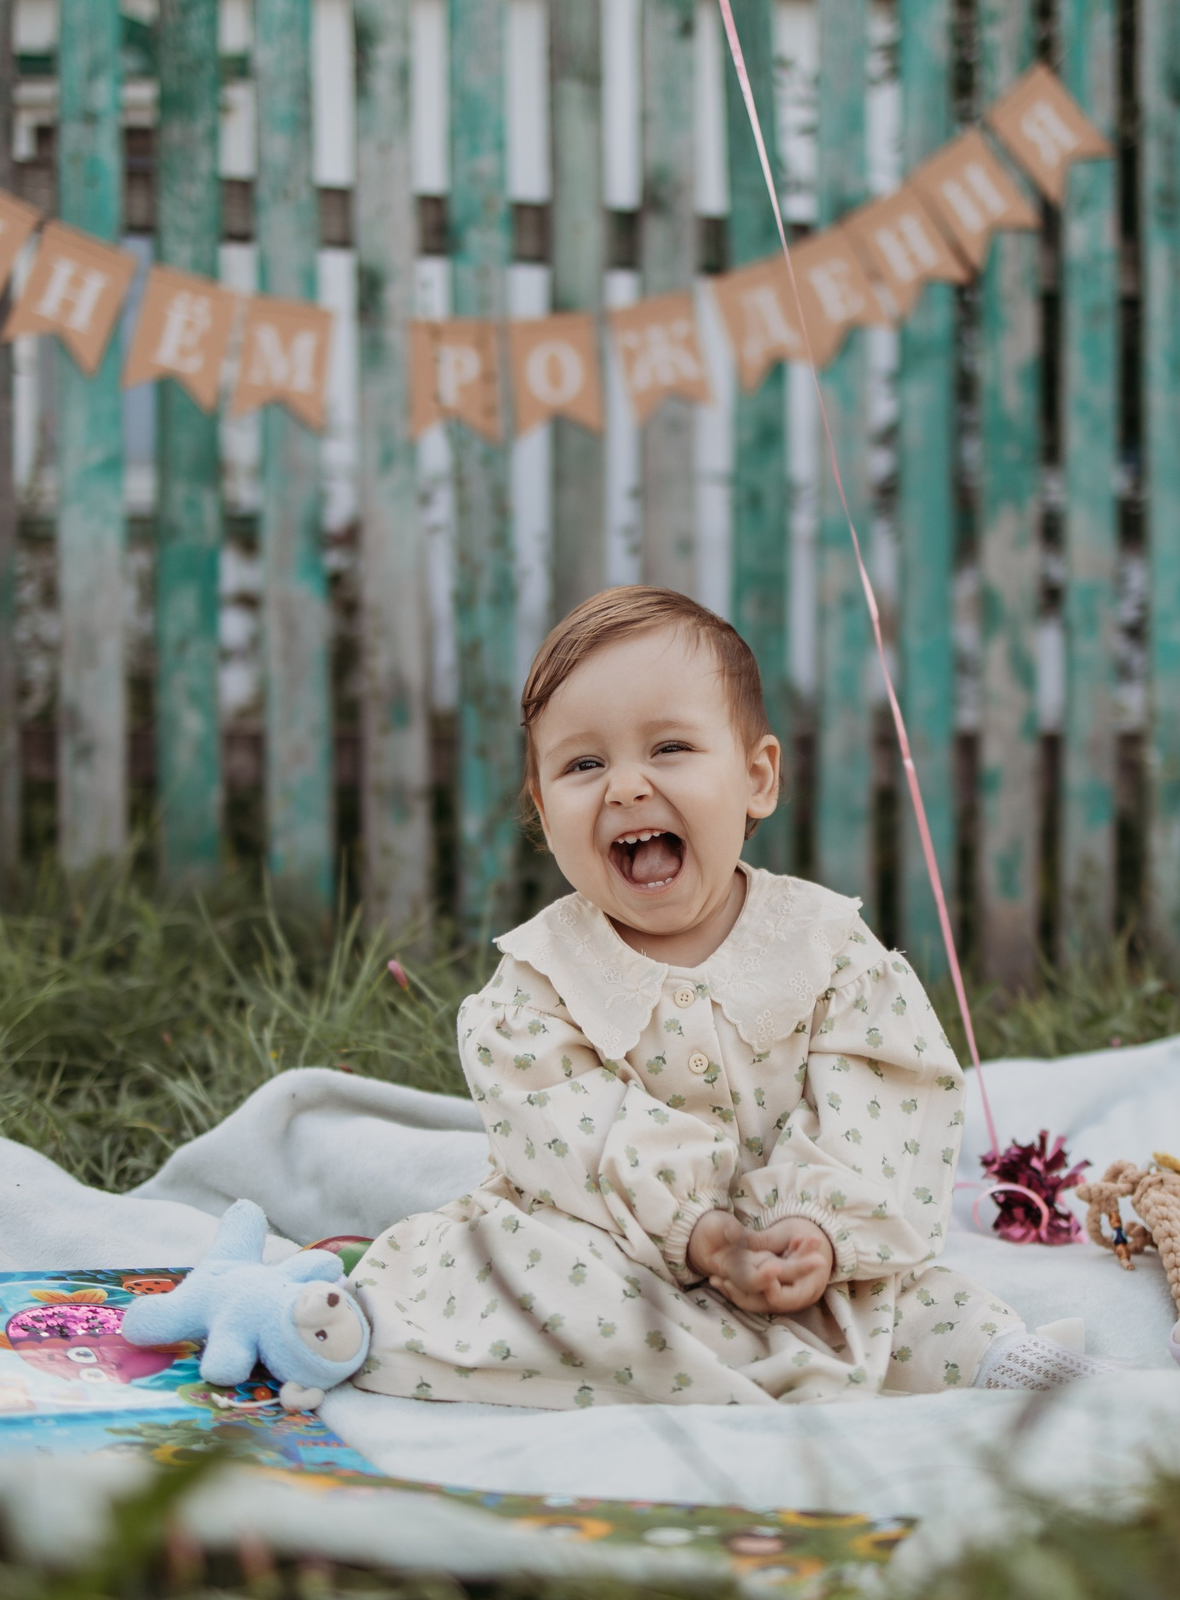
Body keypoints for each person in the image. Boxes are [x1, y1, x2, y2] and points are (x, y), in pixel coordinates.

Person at [346, 586, 1103, 1406]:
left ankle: (1010, 1371)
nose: (627, 786)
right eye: (584, 764)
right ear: (542, 811)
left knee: (921, 1304)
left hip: (815, 1266)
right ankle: (355, 1324)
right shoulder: (538, 980)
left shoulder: (825, 945)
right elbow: (566, 1126)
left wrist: (817, 1227)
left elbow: (884, 1095)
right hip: (627, 1255)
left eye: (669, 747)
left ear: (756, 778)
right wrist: (697, 1233)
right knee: (508, 1265)